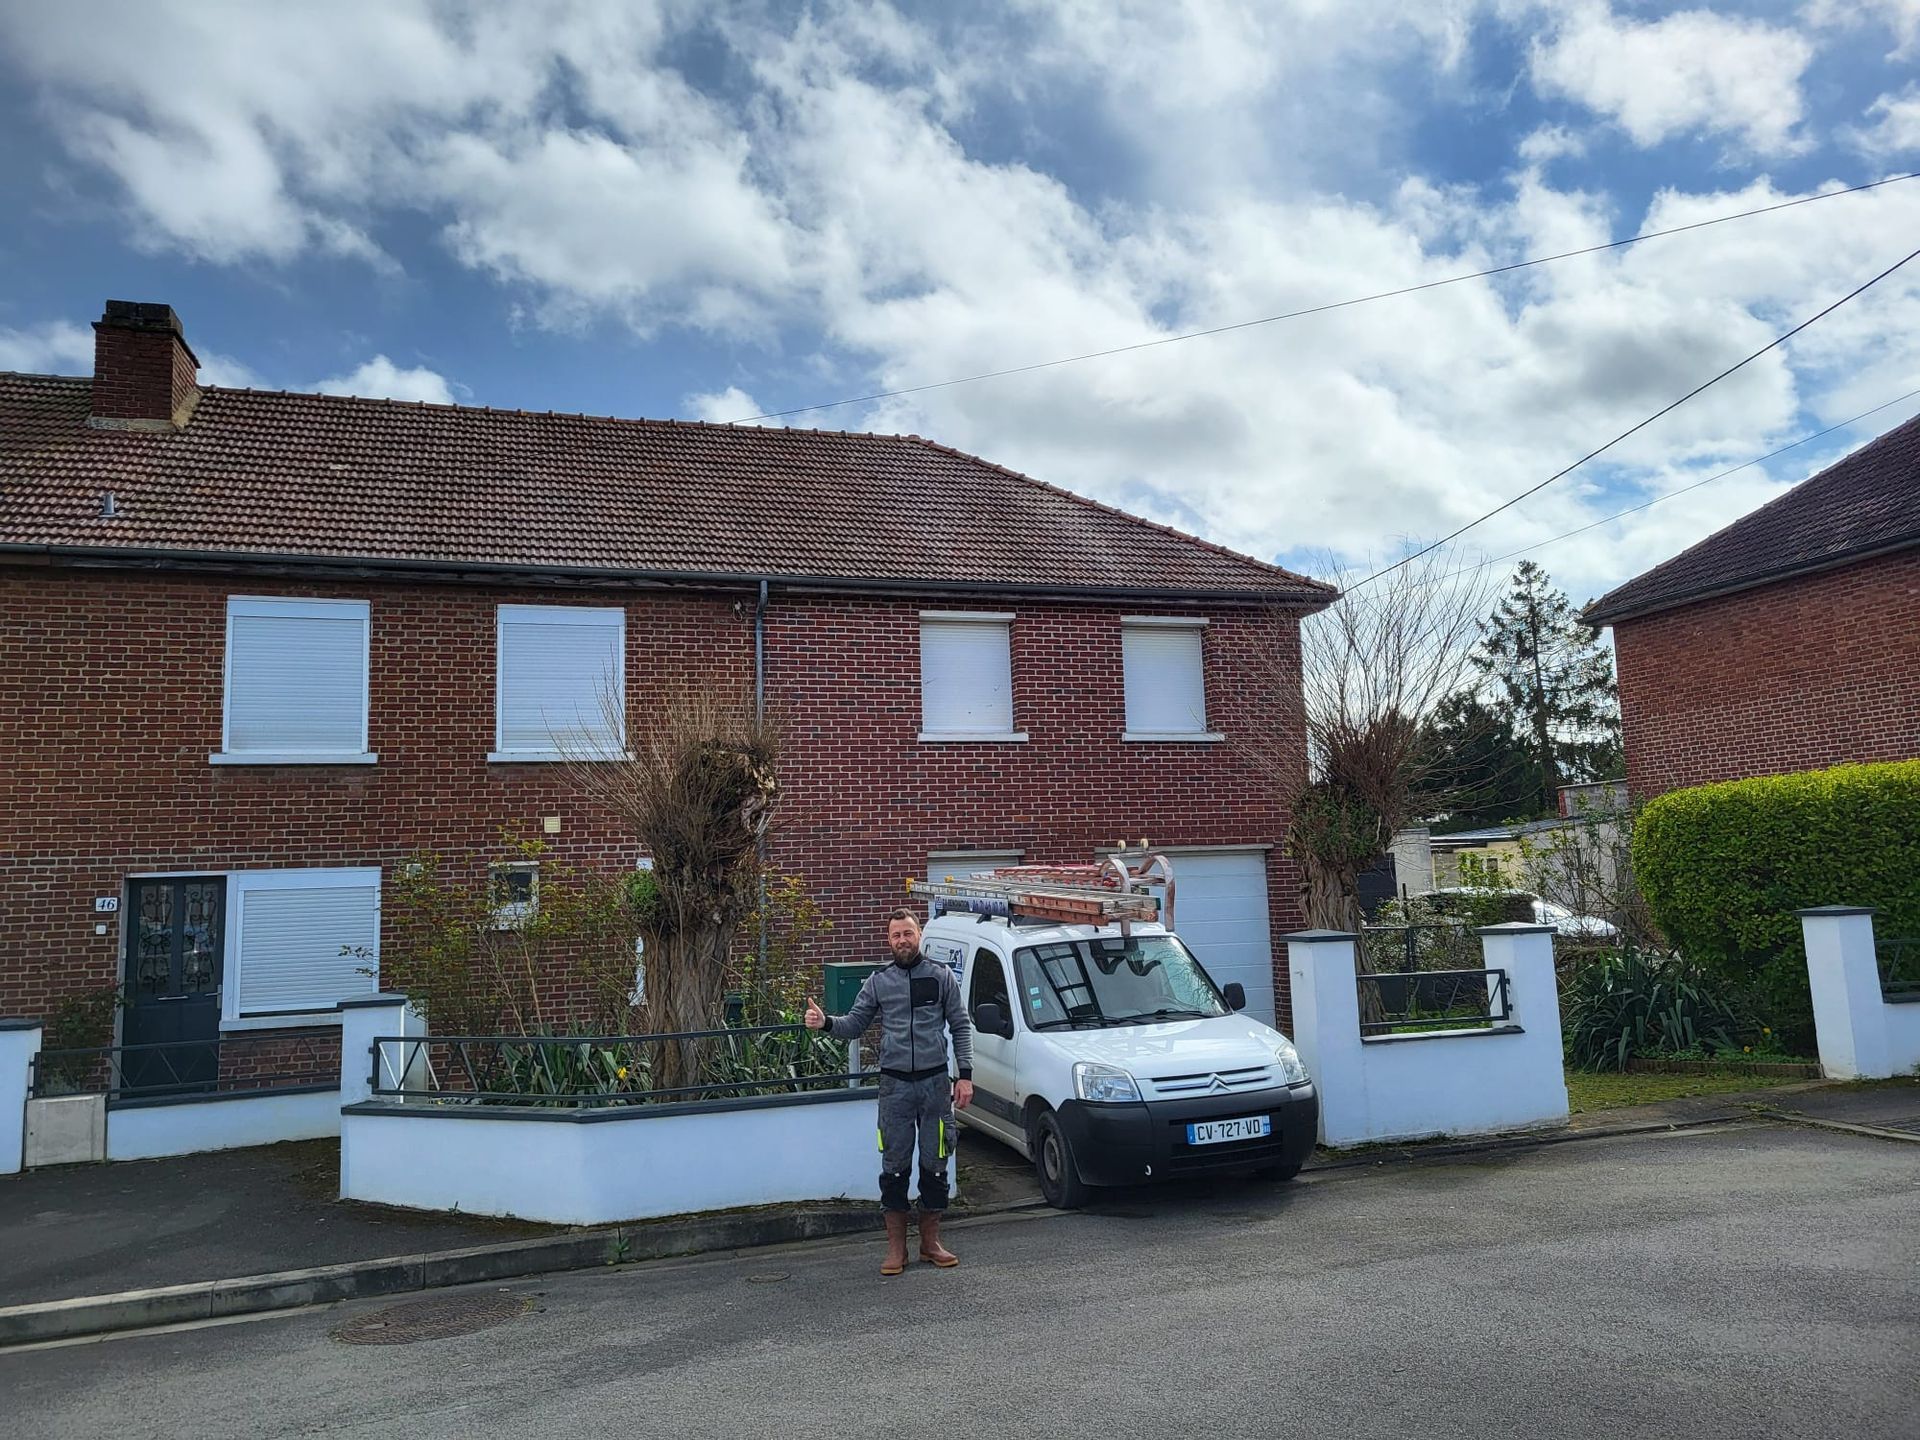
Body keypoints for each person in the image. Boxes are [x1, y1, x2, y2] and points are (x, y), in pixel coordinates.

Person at [806, 908, 974, 1275]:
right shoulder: (878, 981)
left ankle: (930, 1244)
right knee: (894, 1169)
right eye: (896, 935)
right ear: (889, 940)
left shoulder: (941, 976)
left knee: (936, 1166)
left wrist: (965, 1075)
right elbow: (854, 1024)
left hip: (934, 1086)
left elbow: (960, 1026)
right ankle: (896, 1249)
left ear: (919, 935)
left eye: (908, 933)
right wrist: (825, 1024)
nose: (902, 940)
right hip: (895, 1088)